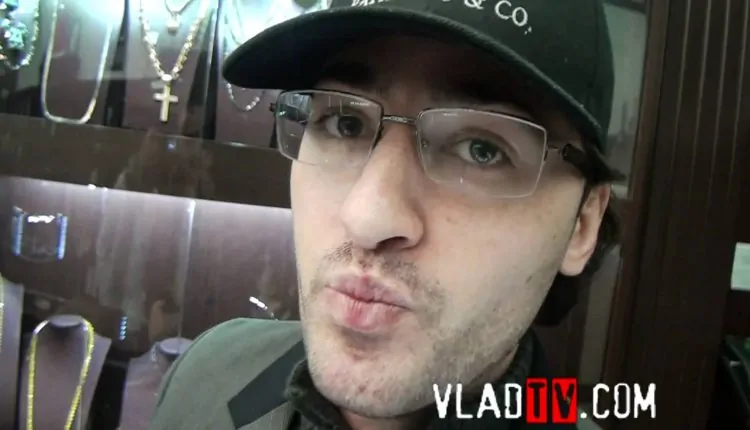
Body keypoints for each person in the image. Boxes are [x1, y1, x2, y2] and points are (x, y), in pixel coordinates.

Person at [151, 0, 622, 428]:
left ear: (582, 226)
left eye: (481, 150)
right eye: (344, 123)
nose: (367, 217)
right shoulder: (207, 376)